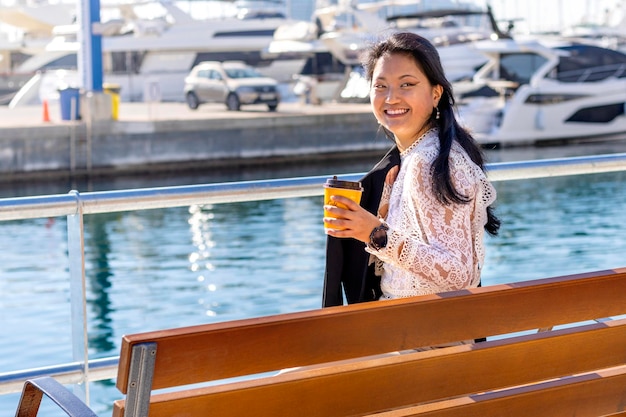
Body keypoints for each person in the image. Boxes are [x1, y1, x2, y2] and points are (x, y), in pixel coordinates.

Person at [322, 32, 500, 307]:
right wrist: (385, 221)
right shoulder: (429, 153)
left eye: (407, 84)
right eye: (380, 86)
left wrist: (375, 232)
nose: (391, 98)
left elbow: (458, 275)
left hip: (418, 338)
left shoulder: (429, 161)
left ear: (435, 93)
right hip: (416, 327)